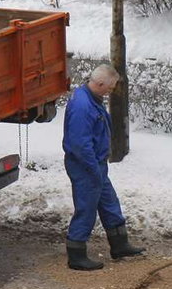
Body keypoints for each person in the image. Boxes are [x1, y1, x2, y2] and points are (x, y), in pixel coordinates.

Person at [62, 64, 145, 270]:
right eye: (109, 88)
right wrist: (92, 169)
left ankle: (120, 244)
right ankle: (76, 254)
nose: (110, 91)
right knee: (86, 208)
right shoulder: (83, 107)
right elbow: (80, 145)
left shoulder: (91, 99)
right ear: (99, 84)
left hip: (95, 164)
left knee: (109, 201)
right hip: (86, 165)